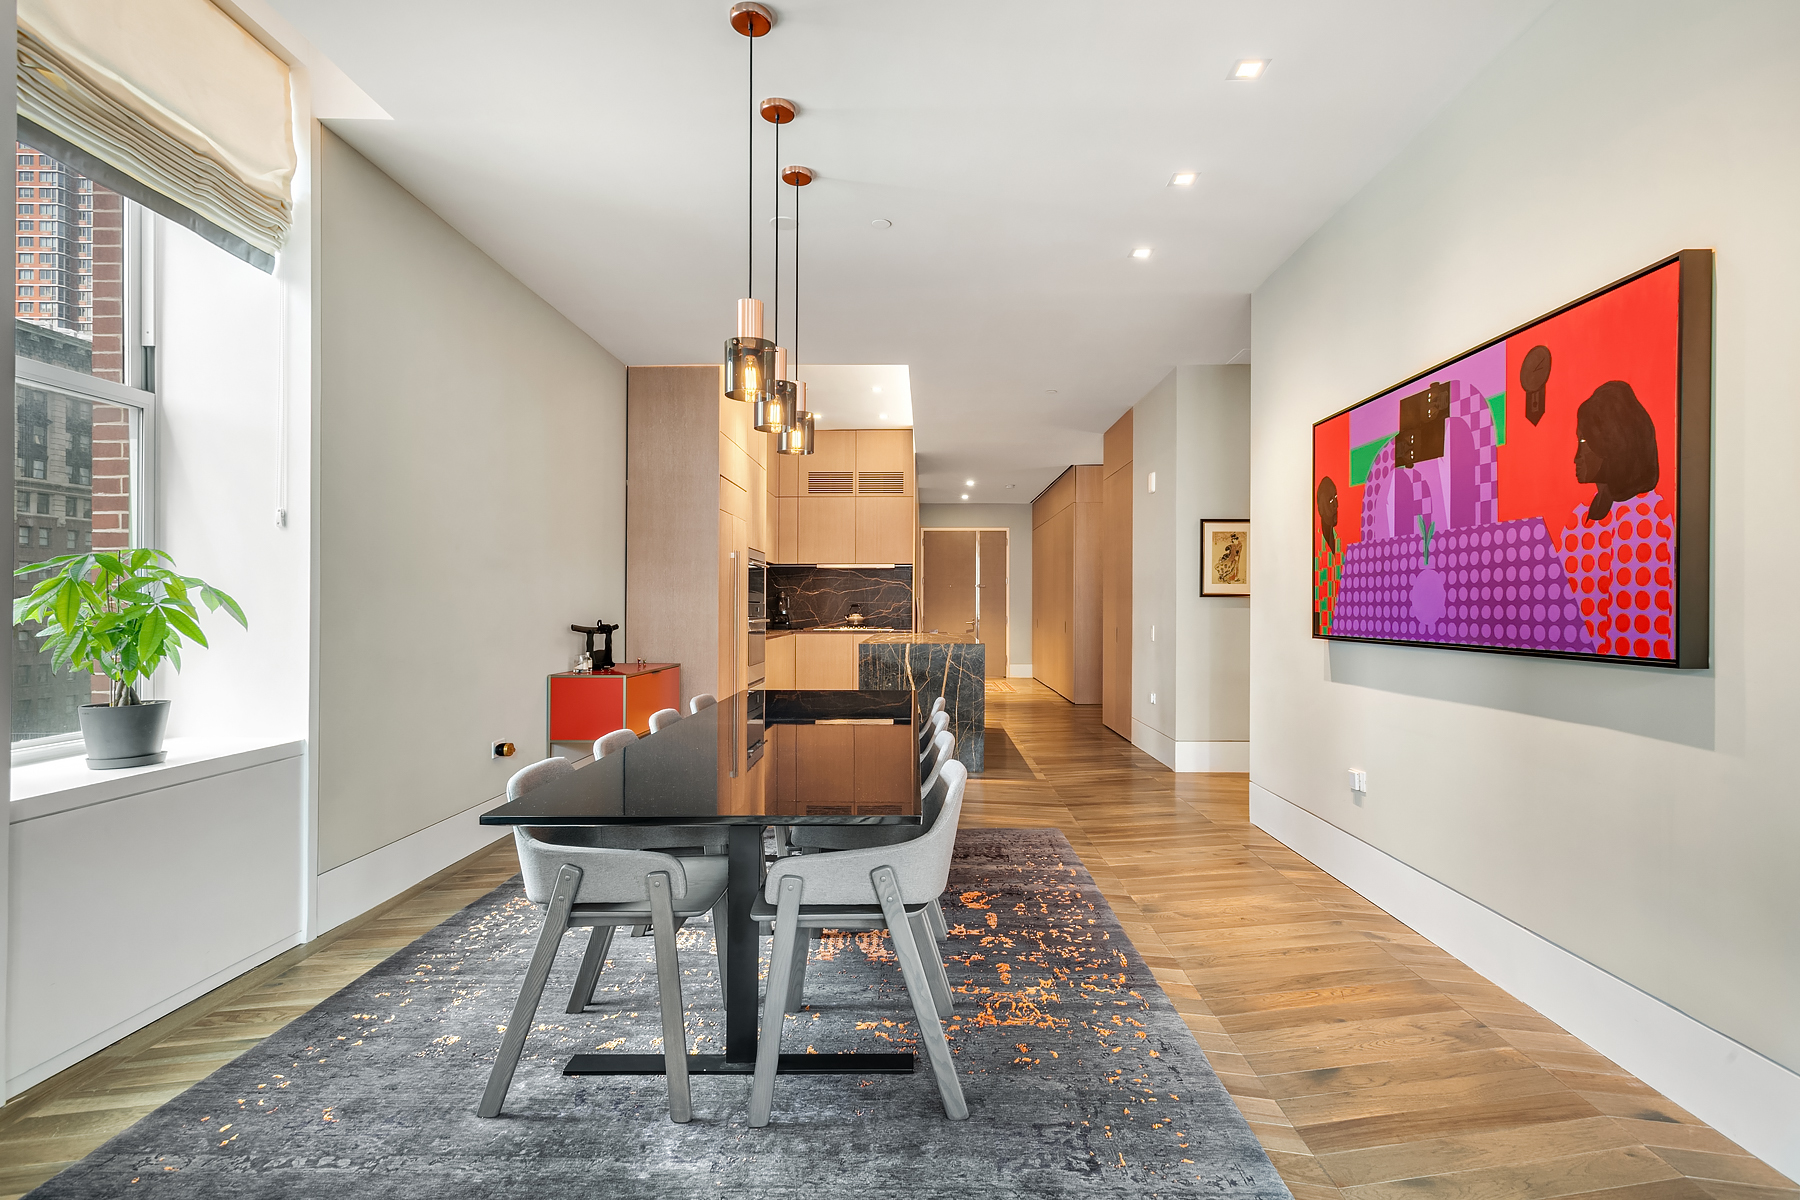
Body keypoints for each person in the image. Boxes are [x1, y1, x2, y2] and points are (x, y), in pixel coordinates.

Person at [1562, 382, 1672, 659]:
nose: (1576, 457)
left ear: (1613, 443)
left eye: (1584, 442)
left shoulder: (1646, 520)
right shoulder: (1578, 522)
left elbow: (1640, 631)